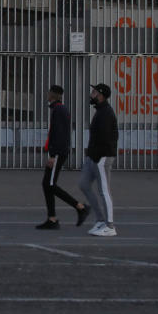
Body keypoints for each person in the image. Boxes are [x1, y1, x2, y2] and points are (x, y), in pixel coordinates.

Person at [37, 85, 90, 230]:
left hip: (58, 153)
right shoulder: (59, 109)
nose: (47, 95)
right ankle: (52, 219)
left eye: (48, 92)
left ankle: (80, 207)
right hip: (59, 152)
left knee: (51, 184)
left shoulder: (59, 110)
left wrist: (53, 155)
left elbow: (59, 135)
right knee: (46, 184)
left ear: (53, 95)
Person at [80, 83, 119, 237]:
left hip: (102, 158)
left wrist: (96, 156)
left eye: (94, 92)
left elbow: (107, 139)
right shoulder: (100, 111)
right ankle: (100, 220)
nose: (92, 94)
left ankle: (110, 226)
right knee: (83, 184)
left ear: (101, 95)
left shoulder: (106, 113)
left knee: (104, 190)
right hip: (93, 157)